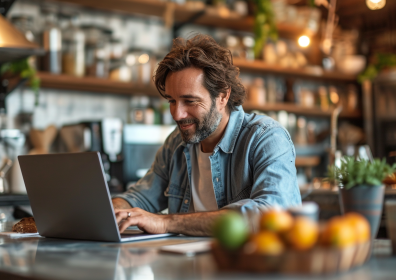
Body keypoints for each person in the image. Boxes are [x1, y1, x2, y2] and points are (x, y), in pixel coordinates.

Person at [112, 34, 301, 236]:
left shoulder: (266, 137)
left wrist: (166, 223)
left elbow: (270, 215)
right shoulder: (176, 142)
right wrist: (114, 210)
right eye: (172, 101)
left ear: (223, 96)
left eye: (190, 101)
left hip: (250, 264)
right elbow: (140, 197)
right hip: (187, 262)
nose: (177, 114)